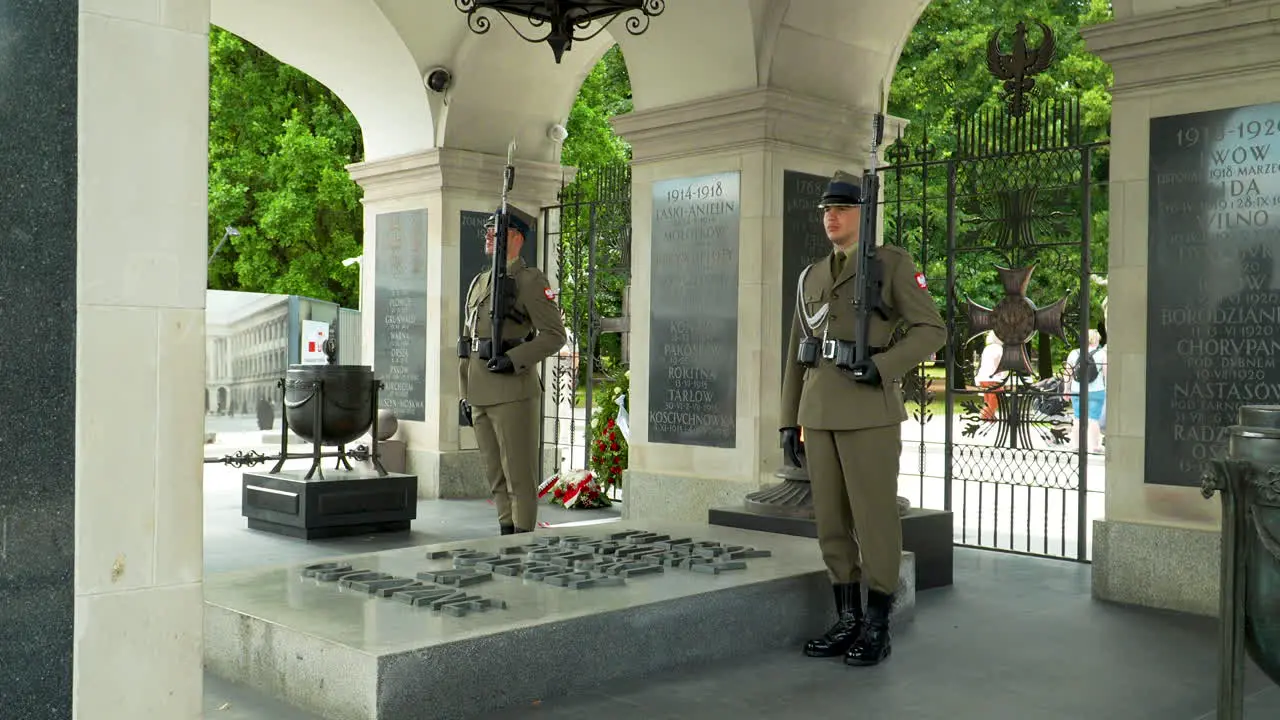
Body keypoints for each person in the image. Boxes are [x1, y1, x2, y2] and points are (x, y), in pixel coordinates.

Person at [780, 170, 946, 667]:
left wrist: (882, 366)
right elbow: (796, 352)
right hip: (820, 410)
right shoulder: (811, 275)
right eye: (826, 210)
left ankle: (877, 624)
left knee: (874, 522)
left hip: (868, 410)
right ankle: (847, 618)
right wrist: (789, 420)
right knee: (829, 522)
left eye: (842, 208)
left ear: (863, 214)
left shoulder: (890, 264)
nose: (831, 216)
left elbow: (931, 330)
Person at [459, 204, 567, 535]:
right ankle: (506, 535)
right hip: (479, 390)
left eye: (498, 231)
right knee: (495, 475)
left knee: (518, 475)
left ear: (516, 238)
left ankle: (522, 542)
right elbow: (466, 343)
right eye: (489, 231)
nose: (489, 236)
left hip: (512, 390)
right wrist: (465, 394)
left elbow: (554, 335)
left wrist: (514, 358)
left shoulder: (529, 280)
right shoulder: (480, 281)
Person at [1064, 329, 1106, 453]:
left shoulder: (1074, 353)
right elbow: (1106, 374)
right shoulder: (1102, 354)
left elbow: (1067, 373)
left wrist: (1066, 389)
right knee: (1094, 419)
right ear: (1096, 339)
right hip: (1097, 390)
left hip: (1077, 390)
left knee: (1077, 417)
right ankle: (1095, 447)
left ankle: (1076, 445)